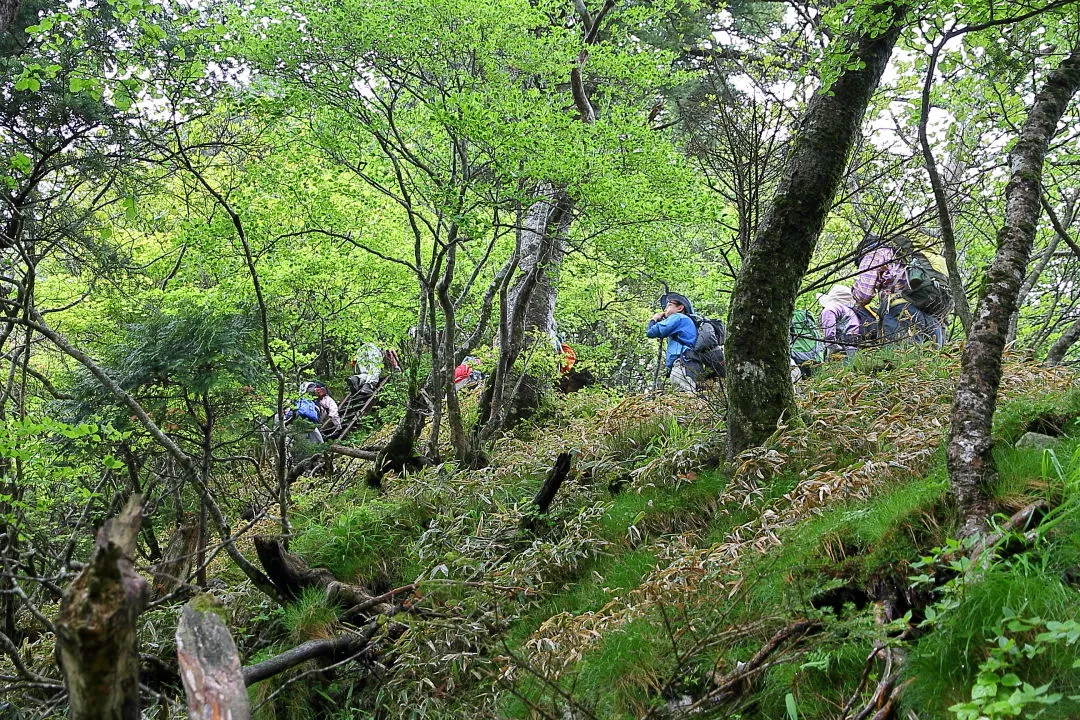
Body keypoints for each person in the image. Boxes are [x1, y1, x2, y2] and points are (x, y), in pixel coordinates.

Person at [852, 234, 945, 347]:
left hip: (901, 311)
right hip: (932, 313)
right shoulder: (902, 253)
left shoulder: (874, 254)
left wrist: (854, 293)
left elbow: (863, 294)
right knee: (931, 360)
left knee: (902, 357)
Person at [646, 292, 699, 393]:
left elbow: (652, 332)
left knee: (685, 399)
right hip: (690, 364)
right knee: (689, 399)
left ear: (680, 308)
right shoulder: (688, 322)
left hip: (683, 364)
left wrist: (654, 319)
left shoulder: (678, 317)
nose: (665, 309)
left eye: (669, 305)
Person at [816, 284, 861, 361]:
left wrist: (831, 344)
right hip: (854, 345)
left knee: (842, 370)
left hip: (843, 346)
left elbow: (829, 327)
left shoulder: (832, 307)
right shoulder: (850, 311)